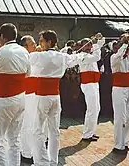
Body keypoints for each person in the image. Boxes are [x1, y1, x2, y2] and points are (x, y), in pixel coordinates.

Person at [30, 30, 84, 166]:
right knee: (54, 131)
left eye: (41, 40)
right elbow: (76, 58)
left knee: (38, 130)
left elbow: (25, 61)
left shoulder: (38, 56)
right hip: (55, 96)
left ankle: (41, 162)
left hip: (42, 96)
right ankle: (53, 161)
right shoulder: (63, 57)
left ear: (49, 42)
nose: (40, 43)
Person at [0, 23, 30, 166]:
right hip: (20, 98)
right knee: (14, 138)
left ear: (2, 36)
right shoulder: (24, 51)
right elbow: (28, 73)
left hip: (4, 99)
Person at [110, 33, 129, 154]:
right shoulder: (114, 58)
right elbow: (119, 54)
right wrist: (124, 42)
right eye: (117, 45)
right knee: (120, 118)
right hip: (118, 89)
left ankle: (125, 142)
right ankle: (118, 145)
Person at [79, 33, 105, 141]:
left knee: (96, 108)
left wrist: (100, 40)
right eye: (88, 45)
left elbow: (96, 55)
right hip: (88, 84)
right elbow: (97, 56)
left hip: (94, 83)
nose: (90, 47)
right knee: (91, 109)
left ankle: (91, 131)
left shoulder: (89, 55)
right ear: (83, 46)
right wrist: (96, 44)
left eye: (90, 45)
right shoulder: (83, 56)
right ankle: (87, 134)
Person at [19, 35, 38, 163]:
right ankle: (26, 153)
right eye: (33, 44)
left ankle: (23, 150)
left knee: (27, 124)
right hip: (27, 94)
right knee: (28, 124)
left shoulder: (32, 56)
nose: (36, 46)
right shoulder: (27, 57)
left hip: (31, 93)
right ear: (25, 46)